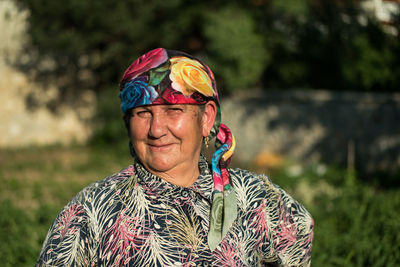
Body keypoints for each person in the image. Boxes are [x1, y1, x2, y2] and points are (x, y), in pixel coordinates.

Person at [36, 48, 313, 266]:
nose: (156, 129)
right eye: (143, 113)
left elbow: (299, 237)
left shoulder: (255, 198)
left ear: (206, 119)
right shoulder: (92, 210)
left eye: (173, 110)